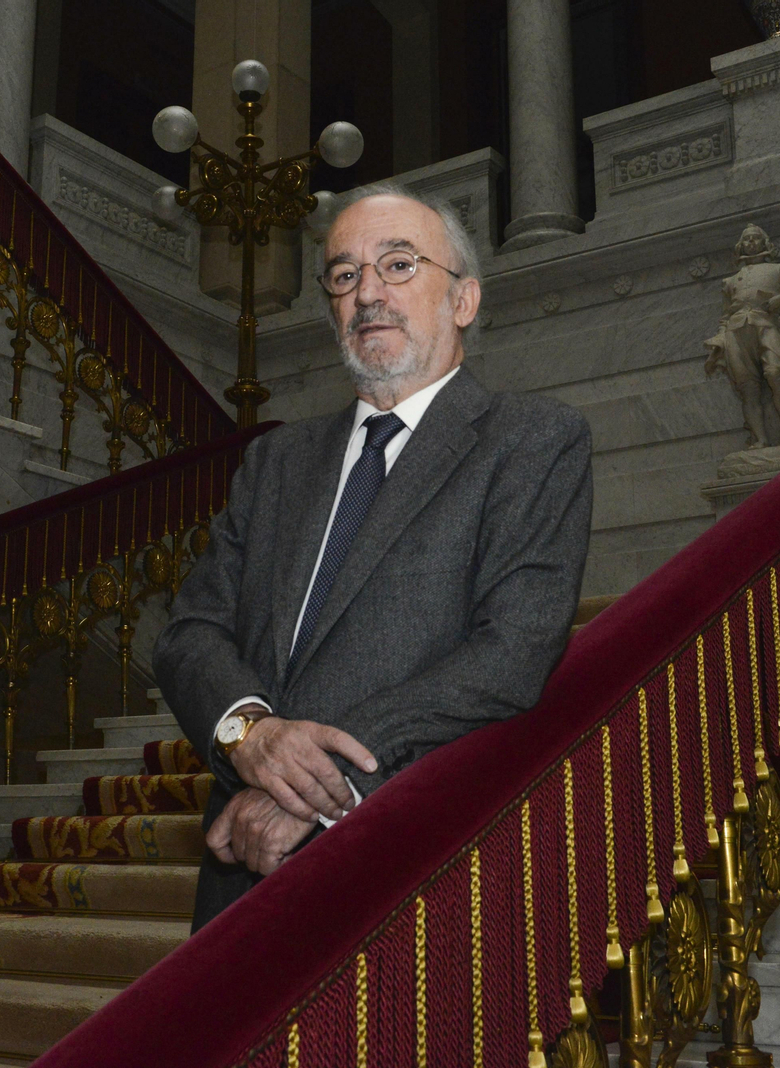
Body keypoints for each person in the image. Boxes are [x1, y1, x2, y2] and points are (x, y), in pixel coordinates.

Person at [153, 183, 594, 930]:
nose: (368, 295)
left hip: (410, 863)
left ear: (464, 300)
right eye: (346, 275)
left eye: (398, 265)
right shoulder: (276, 461)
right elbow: (190, 630)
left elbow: (511, 653)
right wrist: (251, 735)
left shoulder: (532, 440)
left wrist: (318, 786)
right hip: (242, 872)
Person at [703, 222, 780, 448]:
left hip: (767, 325)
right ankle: (759, 439)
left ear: (765, 243)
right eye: (747, 239)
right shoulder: (730, 282)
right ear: (740, 246)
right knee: (747, 387)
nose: (751, 242)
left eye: (755, 238)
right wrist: (719, 340)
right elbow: (726, 315)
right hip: (736, 332)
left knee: (777, 374)